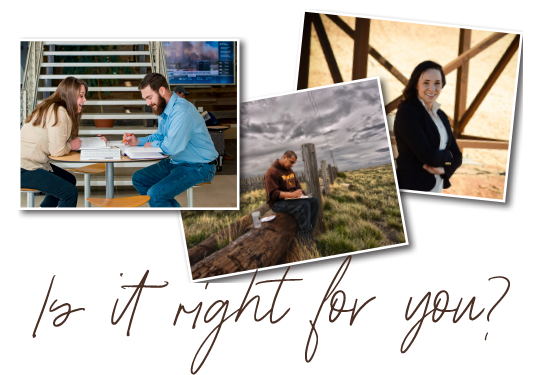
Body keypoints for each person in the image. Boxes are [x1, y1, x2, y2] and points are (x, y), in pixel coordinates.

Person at [123, 73, 219, 207]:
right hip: (177, 161)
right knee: (139, 179)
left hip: (200, 165)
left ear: (162, 91)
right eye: (145, 99)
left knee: (156, 195)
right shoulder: (164, 109)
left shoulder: (181, 111)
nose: (148, 103)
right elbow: (160, 136)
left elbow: (171, 147)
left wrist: (152, 145)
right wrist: (138, 141)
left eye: (149, 97)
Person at [20, 76, 106, 207]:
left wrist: (93, 141)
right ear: (70, 95)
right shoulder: (58, 111)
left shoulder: (51, 106)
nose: (85, 100)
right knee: (69, 193)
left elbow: (57, 140)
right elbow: (57, 150)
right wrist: (71, 145)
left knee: (69, 180)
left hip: (30, 163)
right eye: (81, 96)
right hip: (25, 168)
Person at [393, 60, 463, 192]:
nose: (432, 88)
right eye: (426, 83)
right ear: (416, 85)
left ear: (442, 85)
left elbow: (458, 156)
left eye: (437, 83)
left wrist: (444, 169)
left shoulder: (441, 115)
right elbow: (427, 156)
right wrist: (448, 155)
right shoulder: (407, 112)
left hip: (436, 187)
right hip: (412, 187)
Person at [264, 151, 319, 244]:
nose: (292, 165)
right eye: (291, 162)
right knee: (303, 205)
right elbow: (273, 194)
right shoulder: (271, 171)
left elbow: (296, 184)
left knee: (314, 201)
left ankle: (308, 234)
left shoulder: (289, 170)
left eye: (294, 163)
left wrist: (301, 194)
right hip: (277, 203)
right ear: (284, 157)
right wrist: (292, 195)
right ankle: (303, 239)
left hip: (291, 199)